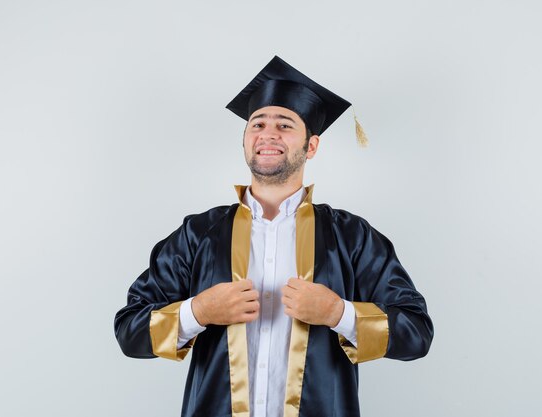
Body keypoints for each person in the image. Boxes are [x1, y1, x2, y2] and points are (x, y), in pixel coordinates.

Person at [114, 56, 433, 417]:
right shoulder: (199, 233)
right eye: (257, 124)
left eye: (285, 125)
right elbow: (129, 330)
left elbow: (417, 333)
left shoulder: (350, 236)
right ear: (246, 140)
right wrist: (199, 311)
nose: (268, 134)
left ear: (311, 146)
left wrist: (337, 312)